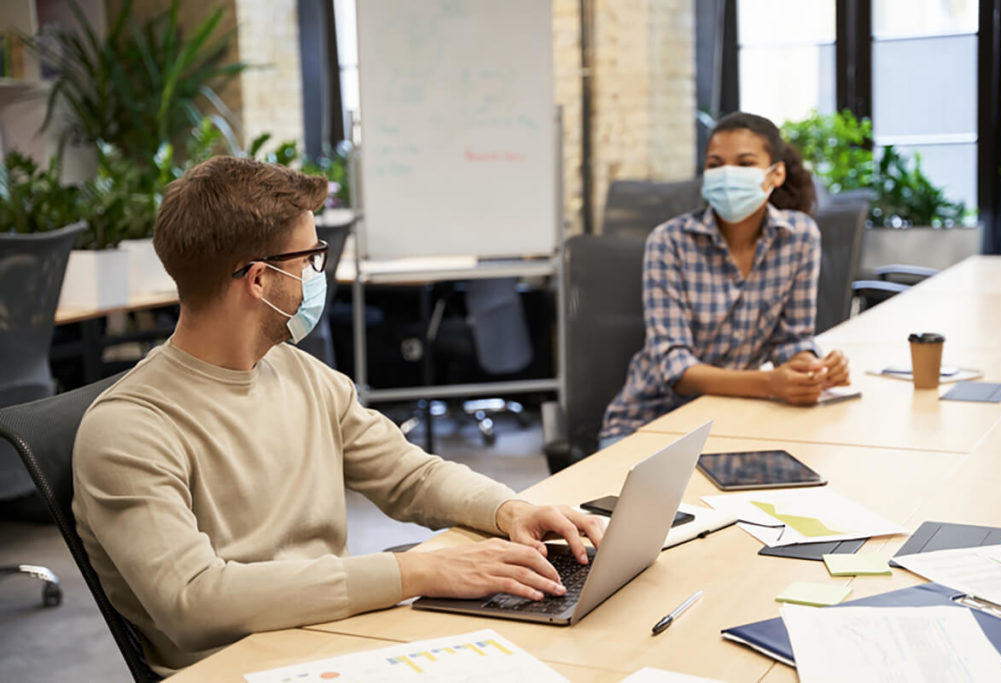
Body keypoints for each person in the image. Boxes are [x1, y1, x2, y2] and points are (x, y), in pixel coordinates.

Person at [71, 157, 605, 675]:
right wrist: (413, 570)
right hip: (247, 668)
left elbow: (409, 475)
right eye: (310, 259)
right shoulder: (127, 430)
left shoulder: (304, 376)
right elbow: (195, 601)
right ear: (258, 280)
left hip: (342, 642)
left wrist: (508, 511)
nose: (317, 275)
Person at [600, 112, 850, 446]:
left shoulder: (799, 236)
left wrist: (811, 370)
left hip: (734, 419)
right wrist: (770, 384)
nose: (728, 175)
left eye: (745, 163)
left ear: (776, 174)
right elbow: (677, 369)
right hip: (651, 422)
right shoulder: (669, 241)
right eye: (716, 165)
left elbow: (791, 341)